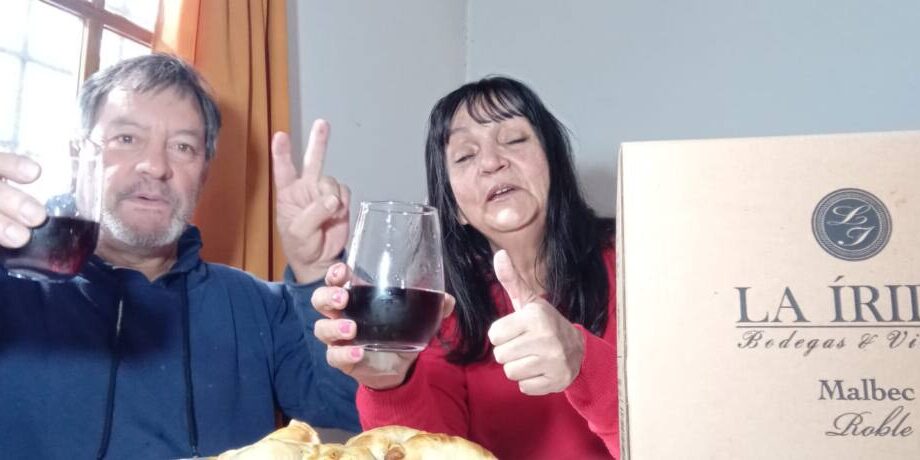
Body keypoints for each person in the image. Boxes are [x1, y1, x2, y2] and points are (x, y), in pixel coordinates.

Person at [0, 54, 358, 459]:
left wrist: (318, 270)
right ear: (78, 154)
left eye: (183, 147)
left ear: (203, 174)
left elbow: (350, 409)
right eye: (126, 138)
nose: (155, 166)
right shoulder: (13, 286)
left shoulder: (259, 307)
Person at [312, 76, 618, 459]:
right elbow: (435, 452)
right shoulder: (443, 310)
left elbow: (678, 434)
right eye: (465, 156)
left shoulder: (636, 264)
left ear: (554, 163)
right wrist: (390, 383)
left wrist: (584, 363)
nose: (491, 162)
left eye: (514, 139)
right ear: (455, 207)